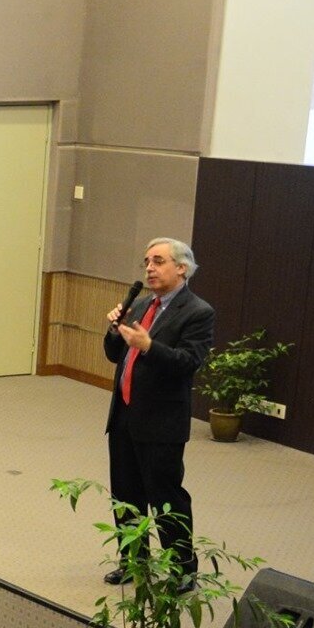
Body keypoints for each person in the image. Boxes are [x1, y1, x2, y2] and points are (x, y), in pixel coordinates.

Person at [104, 237, 211, 587]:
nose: (149, 268)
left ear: (182, 268)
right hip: (124, 416)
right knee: (125, 494)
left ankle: (182, 569)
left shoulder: (197, 312)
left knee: (166, 497)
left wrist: (149, 346)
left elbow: (187, 363)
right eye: (147, 261)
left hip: (161, 422)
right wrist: (114, 328)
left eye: (158, 261)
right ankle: (133, 561)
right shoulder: (139, 305)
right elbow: (112, 353)